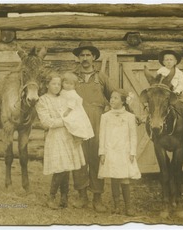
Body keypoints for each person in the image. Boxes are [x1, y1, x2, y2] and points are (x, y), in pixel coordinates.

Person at [71, 41, 115, 213]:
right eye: (82, 55)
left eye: (88, 55)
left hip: (98, 121)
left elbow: (114, 95)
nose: (85, 58)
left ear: (94, 57)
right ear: (78, 58)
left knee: (96, 158)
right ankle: (82, 196)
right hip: (77, 122)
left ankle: (97, 197)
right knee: (79, 158)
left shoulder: (101, 77)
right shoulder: (72, 77)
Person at [35, 72, 86, 209]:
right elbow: (46, 122)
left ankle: (64, 197)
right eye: (53, 83)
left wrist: (73, 126)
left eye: (59, 83)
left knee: (67, 167)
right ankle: (51, 197)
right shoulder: (43, 100)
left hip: (68, 135)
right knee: (60, 168)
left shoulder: (64, 98)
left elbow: (75, 113)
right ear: (47, 85)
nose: (57, 86)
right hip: (56, 137)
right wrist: (65, 121)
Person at [98, 88, 141, 216]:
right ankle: (116, 206)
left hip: (124, 151)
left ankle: (128, 207)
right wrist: (102, 152)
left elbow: (133, 136)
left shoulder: (129, 117)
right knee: (114, 178)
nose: (112, 100)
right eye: (111, 97)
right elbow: (102, 135)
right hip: (110, 151)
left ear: (123, 101)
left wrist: (132, 152)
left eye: (116, 98)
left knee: (124, 178)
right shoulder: (105, 116)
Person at [144, 50, 183, 137]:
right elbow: (157, 82)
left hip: (175, 94)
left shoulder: (179, 73)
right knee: (153, 105)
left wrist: (176, 91)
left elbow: (181, 84)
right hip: (162, 94)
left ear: (175, 61)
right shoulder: (160, 71)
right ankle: (150, 125)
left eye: (171, 60)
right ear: (163, 62)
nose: (169, 62)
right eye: (166, 60)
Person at [60, 72, 94, 144]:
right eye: (66, 83)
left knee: (74, 122)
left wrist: (68, 111)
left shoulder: (72, 93)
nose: (68, 86)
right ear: (62, 83)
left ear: (75, 86)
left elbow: (71, 103)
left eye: (71, 84)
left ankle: (78, 137)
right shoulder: (62, 91)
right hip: (65, 108)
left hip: (72, 110)